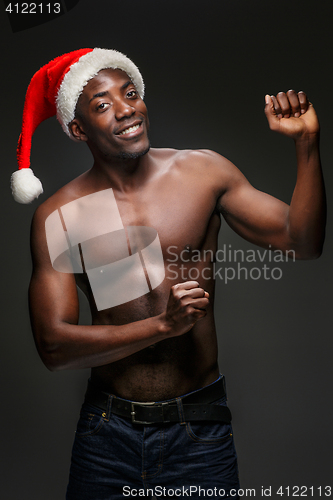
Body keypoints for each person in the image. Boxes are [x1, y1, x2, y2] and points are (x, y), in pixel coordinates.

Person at [11, 48, 326, 499]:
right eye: (102, 105)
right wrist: (162, 326)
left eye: (131, 93)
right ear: (78, 129)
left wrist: (306, 144)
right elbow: (54, 347)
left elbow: (303, 242)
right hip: (107, 435)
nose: (126, 110)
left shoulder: (201, 172)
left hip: (199, 429)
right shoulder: (62, 215)